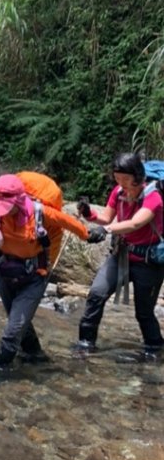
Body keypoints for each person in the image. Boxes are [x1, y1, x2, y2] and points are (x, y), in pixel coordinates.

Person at [0, 174, 104, 368]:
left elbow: (67, 222)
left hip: (35, 276)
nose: (2, 211)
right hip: (5, 272)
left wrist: (88, 235)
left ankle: (0, 368)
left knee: (14, 329)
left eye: (6, 207)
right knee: (17, 318)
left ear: (19, 200)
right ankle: (35, 353)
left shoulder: (40, 213)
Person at [74, 152, 164, 359]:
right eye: (117, 178)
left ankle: (154, 349)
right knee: (96, 294)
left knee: (144, 312)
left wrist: (106, 231)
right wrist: (89, 214)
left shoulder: (154, 197)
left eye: (125, 179)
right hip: (120, 255)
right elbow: (106, 217)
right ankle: (85, 344)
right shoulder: (118, 192)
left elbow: (135, 223)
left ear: (138, 176)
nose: (121, 183)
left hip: (148, 262)